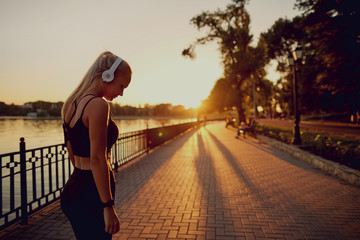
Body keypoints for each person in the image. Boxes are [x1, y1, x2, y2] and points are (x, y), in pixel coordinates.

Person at [60, 51, 132, 239]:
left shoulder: (70, 104)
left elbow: (72, 154)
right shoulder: (98, 105)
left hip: (73, 189)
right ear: (107, 75)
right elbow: (98, 158)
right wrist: (107, 206)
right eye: (122, 85)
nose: (121, 93)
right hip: (91, 195)